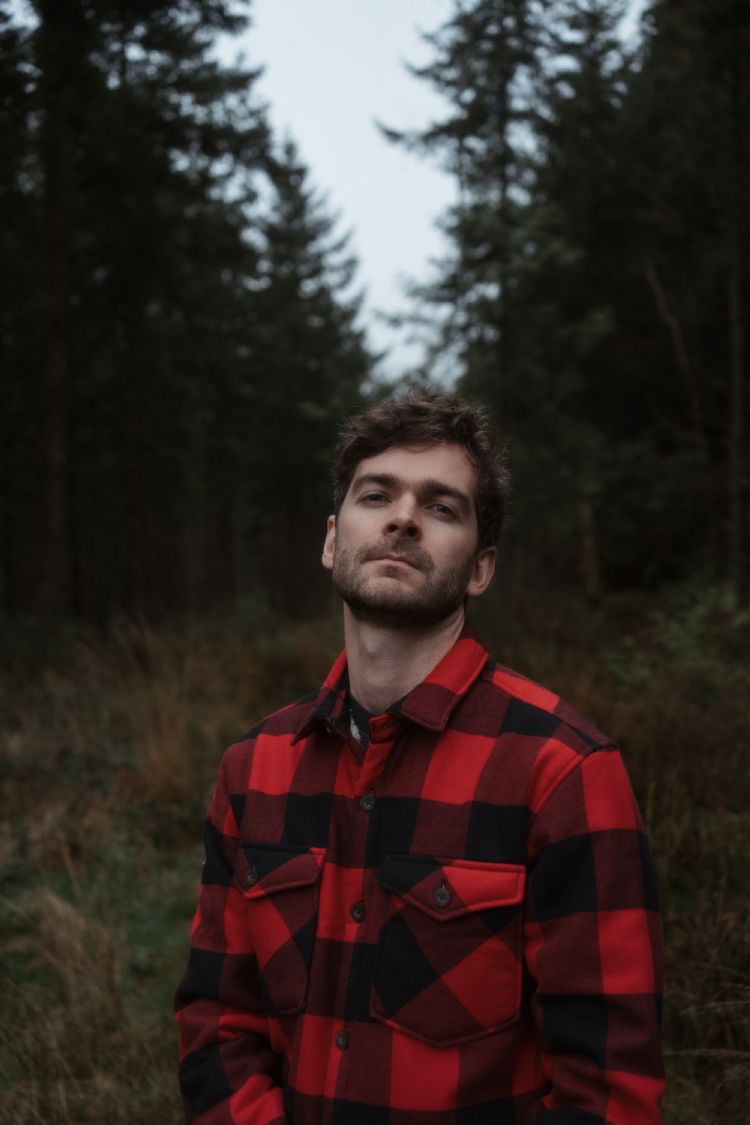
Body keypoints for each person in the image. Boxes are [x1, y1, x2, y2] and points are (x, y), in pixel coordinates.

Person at [175, 393, 664, 1124]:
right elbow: (218, 1024)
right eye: (376, 495)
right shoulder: (253, 767)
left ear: (480, 569)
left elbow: (607, 1088)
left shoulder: (563, 770)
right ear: (332, 540)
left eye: (441, 507)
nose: (403, 518)